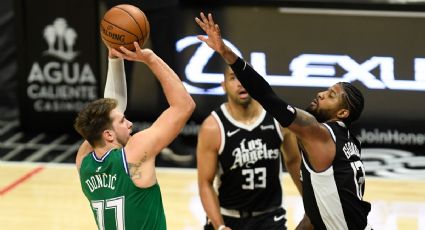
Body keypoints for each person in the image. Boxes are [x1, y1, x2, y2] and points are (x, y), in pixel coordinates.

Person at [195, 12, 372, 230]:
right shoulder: (350, 143)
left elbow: (266, 96)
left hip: (270, 217)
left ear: (343, 113)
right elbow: (315, 214)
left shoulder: (319, 134)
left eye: (331, 95)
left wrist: (225, 52)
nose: (321, 93)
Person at [74, 42, 195, 229]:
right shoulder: (134, 152)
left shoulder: (84, 162)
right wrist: (150, 59)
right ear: (108, 135)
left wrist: (114, 59)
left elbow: (111, 108)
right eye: (123, 121)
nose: (130, 124)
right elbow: (184, 105)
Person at [196, 65, 302, 230]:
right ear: (223, 85)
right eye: (233, 78)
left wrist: (312, 206)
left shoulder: (277, 118)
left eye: (244, 77)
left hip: (270, 218)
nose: (240, 83)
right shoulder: (213, 127)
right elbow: (205, 183)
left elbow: (294, 161)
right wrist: (220, 227)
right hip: (228, 218)